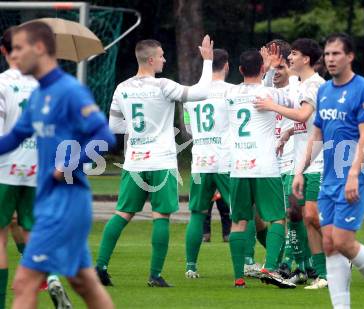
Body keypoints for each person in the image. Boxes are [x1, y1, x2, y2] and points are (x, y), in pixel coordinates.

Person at [0, 21, 115, 308]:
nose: (14, 55)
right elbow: (13, 137)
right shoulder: (38, 95)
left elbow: (103, 136)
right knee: (84, 284)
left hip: (66, 202)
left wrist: (69, 163)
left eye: (18, 48)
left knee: (25, 282)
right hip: (50, 201)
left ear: (39, 48)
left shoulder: (69, 91)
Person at [97, 36, 213, 287]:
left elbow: (115, 126)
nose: (164, 59)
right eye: (161, 55)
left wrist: (140, 131)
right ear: (150, 60)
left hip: (135, 161)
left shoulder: (122, 88)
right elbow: (201, 92)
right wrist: (207, 61)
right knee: (161, 216)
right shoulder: (162, 86)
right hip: (161, 160)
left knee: (122, 214)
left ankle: (100, 266)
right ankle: (155, 275)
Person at [292, 33, 364, 308]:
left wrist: (353, 175)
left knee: (341, 239)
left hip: (357, 175)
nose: (330, 59)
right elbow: (317, 135)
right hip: (329, 177)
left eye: (336, 54)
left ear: (350, 56)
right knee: (329, 243)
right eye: (327, 54)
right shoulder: (324, 91)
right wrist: (299, 171)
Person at [0, 27, 72, 308]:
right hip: (38, 167)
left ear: (4, 51)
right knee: (30, 229)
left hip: (6, 166)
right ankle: (52, 277)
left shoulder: (4, 83)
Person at [255, 38, 327, 289]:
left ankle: (334, 261)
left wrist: (273, 106)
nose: (289, 59)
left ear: (305, 59)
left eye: (293, 55)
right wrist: (287, 134)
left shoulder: (315, 85)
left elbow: (303, 115)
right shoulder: (299, 85)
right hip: (300, 162)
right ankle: (305, 268)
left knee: (311, 217)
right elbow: (298, 118)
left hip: (318, 160)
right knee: (296, 214)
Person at [226, 49, 295, 288]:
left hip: (238, 167)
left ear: (240, 70)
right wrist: (272, 67)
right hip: (265, 166)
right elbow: (296, 101)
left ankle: (238, 277)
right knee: (277, 218)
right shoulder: (271, 93)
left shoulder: (230, 92)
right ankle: (269, 268)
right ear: (263, 69)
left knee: (239, 222)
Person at [183, 48, 233, 278]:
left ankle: (191, 266)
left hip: (200, 161)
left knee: (197, 214)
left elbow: (190, 130)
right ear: (227, 66)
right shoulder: (233, 91)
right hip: (226, 161)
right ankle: (247, 263)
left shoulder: (191, 95)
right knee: (240, 213)